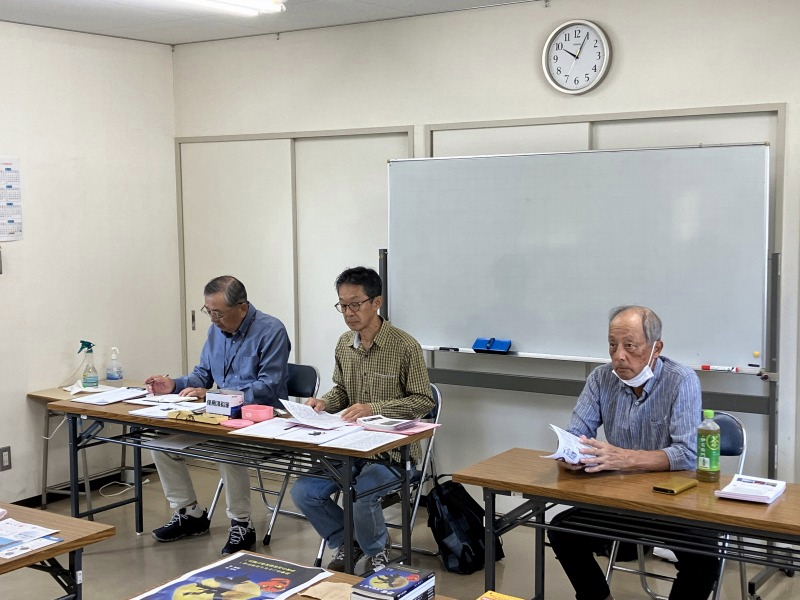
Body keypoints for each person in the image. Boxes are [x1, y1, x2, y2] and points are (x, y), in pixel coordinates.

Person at [548, 305, 720, 600]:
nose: (619, 356)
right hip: (621, 497)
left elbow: (687, 453)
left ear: (656, 348)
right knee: (562, 531)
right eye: (612, 345)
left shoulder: (681, 380)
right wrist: (570, 455)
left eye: (630, 346)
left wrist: (625, 458)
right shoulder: (601, 378)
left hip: (673, 500)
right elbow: (576, 434)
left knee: (703, 560)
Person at [290, 266, 433, 573]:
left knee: (362, 494)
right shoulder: (345, 343)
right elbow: (342, 390)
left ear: (376, 302)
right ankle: (347, 542)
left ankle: (377, 551)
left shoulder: (405, 346)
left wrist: (374, 408)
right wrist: (324, 402)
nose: (348, 313)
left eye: (355, 304)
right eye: (343, 305)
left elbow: (423, 400)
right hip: (350, 447)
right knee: (304, 492)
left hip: (393, 453)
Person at [145, 275, 290, 555]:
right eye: (208, 312)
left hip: (262, 420)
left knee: (228, 448)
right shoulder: (216, 331)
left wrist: (215, 396)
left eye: (219, 313)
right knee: (160, 444)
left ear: (242, 307)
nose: (213, 319)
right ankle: (189, 514)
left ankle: (242, 524)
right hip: (218, 416)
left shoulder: (272, 330)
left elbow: (267, 387)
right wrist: (173, 384)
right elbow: (202, 375)